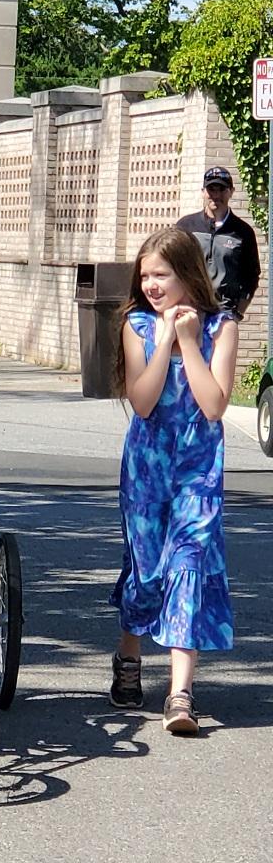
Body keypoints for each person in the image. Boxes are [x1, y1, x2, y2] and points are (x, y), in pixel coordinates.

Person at [109, 227, 238, 735]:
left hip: (198, 470)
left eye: (161, 274)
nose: (152, 284)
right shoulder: (136, 325)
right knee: (146, 571)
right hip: (147, 467)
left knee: (188, 564)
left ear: (188, 273)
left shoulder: (221, 326)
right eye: (145, 276)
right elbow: (142, 402)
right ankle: (129, 654)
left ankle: (179, 694)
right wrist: (165, 341)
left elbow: (214, 405)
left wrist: (191, 341)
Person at [176, 166, 260, 320]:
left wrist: (238, 312)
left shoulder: (243, 232)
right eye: (211, 189)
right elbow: (172, 267)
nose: (216, 195)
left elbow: (251, 276)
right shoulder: (185, 226)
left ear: (231, 191)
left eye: (221, 189)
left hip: (224, 314)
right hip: (188, 311)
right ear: (203, 192)